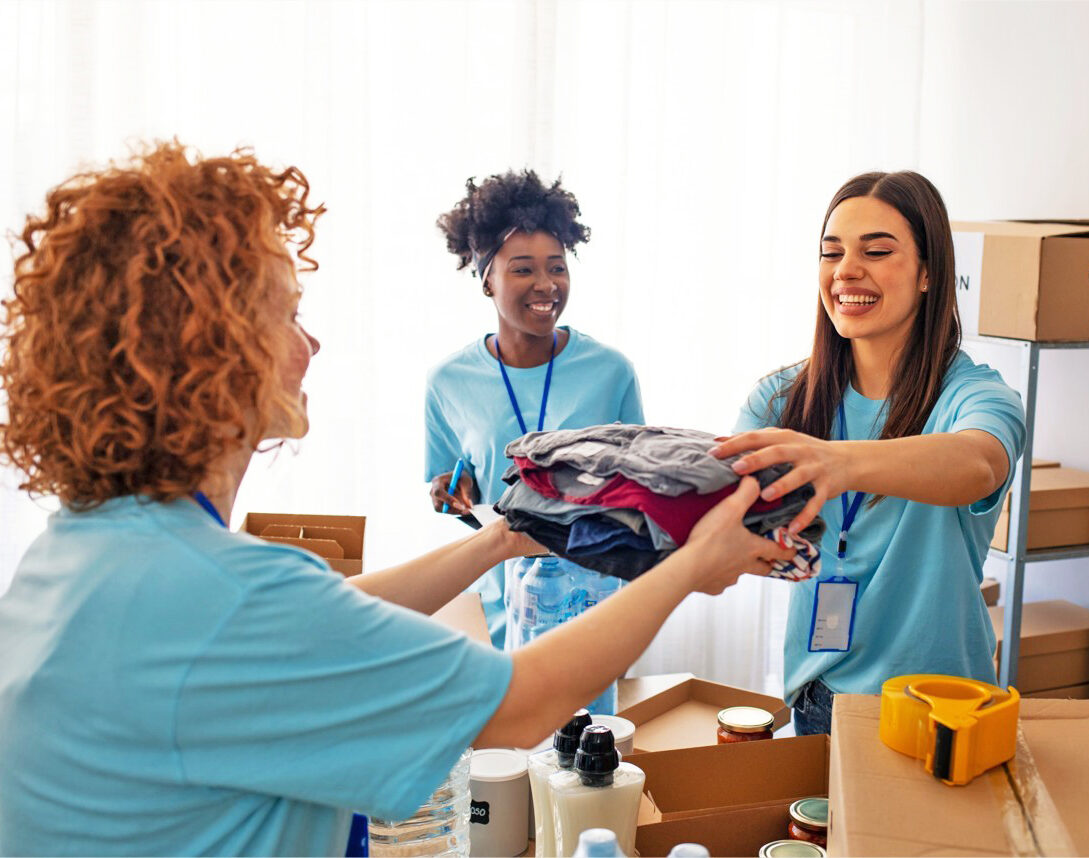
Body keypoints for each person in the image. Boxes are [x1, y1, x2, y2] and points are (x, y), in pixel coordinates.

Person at [0, 142, 795, 856]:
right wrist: (693, 565)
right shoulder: (222, 595)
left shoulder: (91, 549)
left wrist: (501, 539)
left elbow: (324, 608)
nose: (312, 345)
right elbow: (519, 705)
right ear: (212, 352)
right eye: (289, 315)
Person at [712, 171, 1026, 736]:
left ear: (930, 273)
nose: (846, 271)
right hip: (817, 700)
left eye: (876, 251)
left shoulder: (977, 396)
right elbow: (720, 509)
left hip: (940, 709)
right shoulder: (781, 398)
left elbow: (978, 464)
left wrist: (837, 462)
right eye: (831, 253)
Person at [426, 170, 644, 648]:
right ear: (487, 280)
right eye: (523, 269)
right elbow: (451, 486)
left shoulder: (611, 372)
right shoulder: (448, 382)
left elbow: (640, 495)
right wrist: (450, 492)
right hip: (493, 614)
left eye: (557, 267)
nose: (546, 285)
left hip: (592, 610)